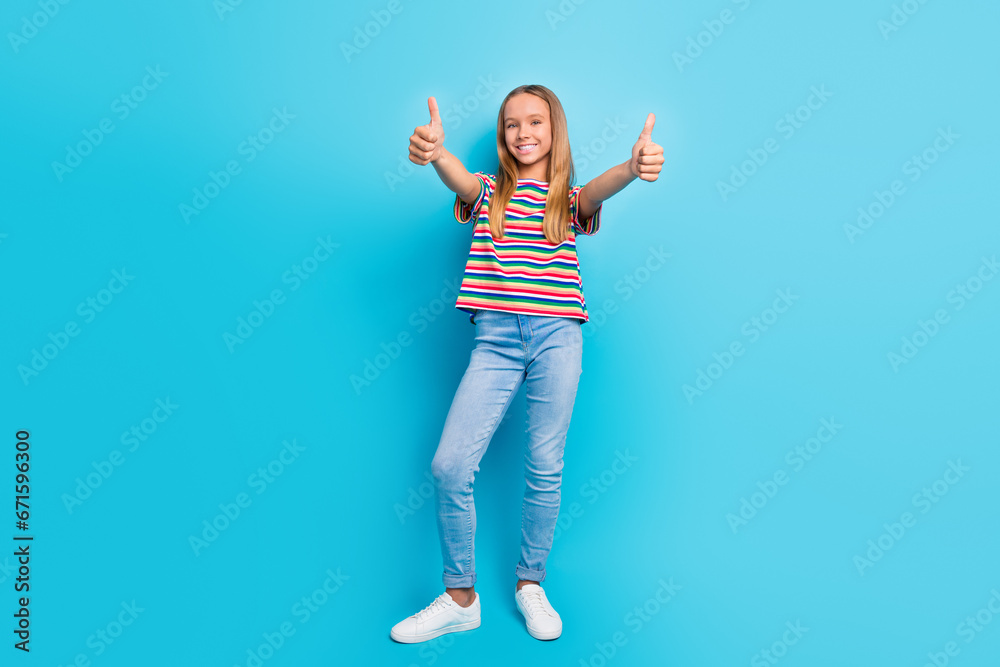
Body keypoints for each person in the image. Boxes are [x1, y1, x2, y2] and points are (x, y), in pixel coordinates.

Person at [390, 84, 663, 644]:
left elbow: (597, 193)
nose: (523, 133)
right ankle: (460, 596)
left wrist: (632, 167)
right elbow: (461, 181)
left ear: (554, 131)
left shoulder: (566, 200)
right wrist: (438, 153)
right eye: (512, 125)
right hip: (494, 340)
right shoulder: (489, 193)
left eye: (535, 122)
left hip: (558, 337)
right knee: (449, 465)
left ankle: (530, 583)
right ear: (502, 136)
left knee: (544, 465)